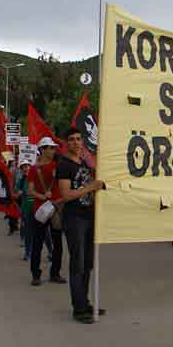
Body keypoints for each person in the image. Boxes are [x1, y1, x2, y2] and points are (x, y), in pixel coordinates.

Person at [57, 128, 104, 324]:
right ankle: (78, 308)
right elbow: (66, 195)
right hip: (74, 219)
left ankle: (84, 302)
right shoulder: (64, 165)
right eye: (71, 140)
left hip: (89, 217)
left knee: (87, 263)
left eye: (78, 139)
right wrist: (90, 187)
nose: (76, 142)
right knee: (78, 263)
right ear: (66, 143)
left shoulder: (84, 163)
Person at [28, 137, 66, 286]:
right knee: (37, 243)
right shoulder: (34, 169)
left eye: (53, 148)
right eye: (50, 148)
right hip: (41, 210)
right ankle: (35, 275)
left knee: (58, 243)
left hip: (56, 208)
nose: (53, 150)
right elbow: (30, 190)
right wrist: (42, 197)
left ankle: (55, 273)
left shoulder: (59, 165)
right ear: (42, 150)